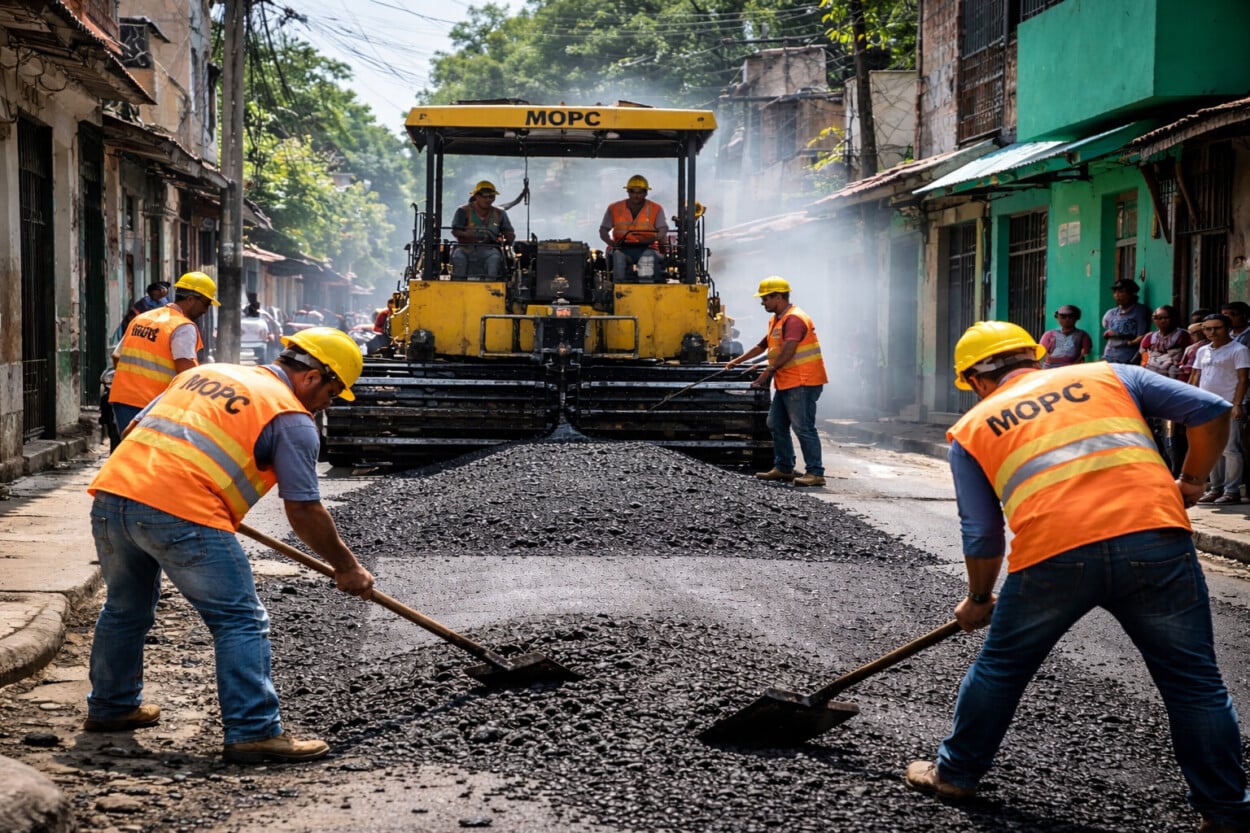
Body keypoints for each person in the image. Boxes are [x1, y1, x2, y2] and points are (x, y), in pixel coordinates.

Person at [905, 320, 1250, 833]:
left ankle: (955, 774)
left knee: (1001, 669)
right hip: (1155, 540)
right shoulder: (1111, 375)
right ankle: (1225, 812)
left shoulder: (973, 428)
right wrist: (1193, 481)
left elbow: (981, 532)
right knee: (1194, 683)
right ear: (1034, 357)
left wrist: (978, 597)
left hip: (1053, 556)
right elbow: (1212, 410)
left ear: (975, 380)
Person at [83, 327, 375, 765]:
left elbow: (137, 429)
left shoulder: (206, 373)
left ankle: (112, 706)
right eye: (333, 392)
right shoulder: (291, 417)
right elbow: (305, 510)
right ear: (312, 376)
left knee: (125, 608)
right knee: (240, 619)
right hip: (181, 511)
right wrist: (347, 566)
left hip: (113, 495)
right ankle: (254, 732)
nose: (330, 403)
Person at [724, 276, 828, 487]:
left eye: (765, 299)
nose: (763, 303)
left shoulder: (794, 319)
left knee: (803, 427)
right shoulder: (778, 319)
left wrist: (767, 372)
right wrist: (738, 361)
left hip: (803, 381)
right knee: (775, 424)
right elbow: (763, 346)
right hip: (787, 382)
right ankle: (784, 468)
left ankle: (815, 473)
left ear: (778, 297)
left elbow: (789, 349)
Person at [108, 271, 220, 434]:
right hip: (153, 406)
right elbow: (187, 372)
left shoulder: (143, 318)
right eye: (206, 303)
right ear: (190, 300)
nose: (206, 310)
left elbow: (116, 356)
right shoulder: (183, 327)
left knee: (129, 454)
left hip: (122, 399)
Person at [1190, 314, 1250, 506]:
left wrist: (1238, 404)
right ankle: (1215, 488)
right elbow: (1195, 376)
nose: (1212, 332)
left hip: (1228, 405)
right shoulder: (1202, 351)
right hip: (1206, 405)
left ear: (1227, 329)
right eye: (1207, 329)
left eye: (1217, 328)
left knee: (1230, 449)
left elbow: (1243, 379)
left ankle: (1232, 491)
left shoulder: (1239, 350)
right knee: (1211, 448)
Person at [1140, 305, 1193, 470]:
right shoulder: (1149, 337)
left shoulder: (1183, 336)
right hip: (1152, 388)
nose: (1161, 321)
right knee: (1154, 431)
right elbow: (1144, 360)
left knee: (1173, 434)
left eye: (1165, 317)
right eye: (1157, 318)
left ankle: (1176, 470)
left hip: (1174, 387)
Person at [599, 174, 669, 282]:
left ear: (646, 193)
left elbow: (663, 229)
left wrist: (655, 238)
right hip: (622, 248)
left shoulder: (656, 208)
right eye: (632, 192)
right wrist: (612, 243)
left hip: (647, 247)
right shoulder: (614, 208)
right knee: (618, 258)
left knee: (647, 260)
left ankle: (646, 289)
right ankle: (619, 290)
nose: (636, 195)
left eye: (640, 192)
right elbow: (603, 230)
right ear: (628, 192)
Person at [451, 180, 516, 279]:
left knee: (494, 258)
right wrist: (466, 234)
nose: (488, 200)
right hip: (465, 248)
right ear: (476, 196)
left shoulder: (500, 213)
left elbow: (509, 232)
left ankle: (491, 290)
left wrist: (509, 238)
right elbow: (455, 230)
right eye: (485, 197)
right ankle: (457, 287)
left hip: (489, 248)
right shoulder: (463, 211)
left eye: (491, 197)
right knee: (458, 257)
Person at [1101, 279, 1152, 363]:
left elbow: (1142, 337)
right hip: (1109, 355)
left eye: (1121, 292)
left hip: (1127, 357)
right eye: (1115, 292)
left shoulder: (1140, 311)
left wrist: (1128, 343)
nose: (1117, 295)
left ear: (1132, 293)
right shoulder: (1111, 313)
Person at [1039, 304, 1091, 368]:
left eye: (1070, 317)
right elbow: (1042, 350)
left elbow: (1085, 352)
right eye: (1063, 317)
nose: (1067, 320)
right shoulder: (1049, 334)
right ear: (1057, 318)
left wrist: (1075, 364)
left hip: (1071, 367)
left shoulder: (1082, 335)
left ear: (1076, 318)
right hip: (1050, 366)